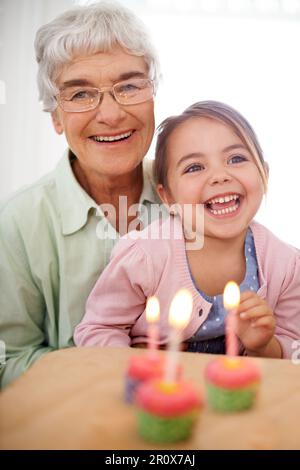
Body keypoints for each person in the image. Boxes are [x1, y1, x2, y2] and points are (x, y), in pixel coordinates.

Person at [0, 2, 164, 388]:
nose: (110, 114)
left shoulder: (191, 196)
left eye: (129, 86)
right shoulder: (18, 222)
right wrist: (114, 368)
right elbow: (8, 361)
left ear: (153, 95)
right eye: (80, 95)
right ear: (55, 116)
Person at [74, 100, 300, 359]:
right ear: (167, 197)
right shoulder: (145, 256)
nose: (220, 176)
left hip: (235, 395)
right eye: (194, 167)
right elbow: (97, 329)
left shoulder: (287, 265)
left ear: (264, 175)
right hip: (153, 391)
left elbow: (293, 349)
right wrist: (137, 365)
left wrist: (264, 345)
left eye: (236, 158)